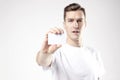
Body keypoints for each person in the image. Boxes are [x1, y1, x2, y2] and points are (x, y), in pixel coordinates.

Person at [36, 3, 105, 80]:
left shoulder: (94, 53)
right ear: (64, 25)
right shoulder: (57, 52)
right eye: (70, 21)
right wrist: (45, 52)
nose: (75, 25)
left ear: (85, 24)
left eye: (79, 20)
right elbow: (42, 61)